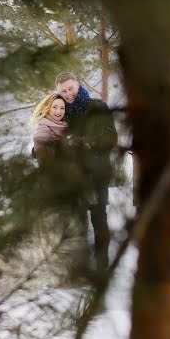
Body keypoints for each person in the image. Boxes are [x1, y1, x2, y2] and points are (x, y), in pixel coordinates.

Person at [54, 72, 117, 270]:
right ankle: (78, 267)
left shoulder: (97, 106)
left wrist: (89, 144)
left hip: (97, 172)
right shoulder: (60, 110)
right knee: (75, 220)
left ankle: (101, 267)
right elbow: (49, 136)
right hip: (72, 175)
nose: (68, 93)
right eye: (63, 90)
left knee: (98, 217)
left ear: (78, 85)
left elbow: (111, 137)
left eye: (70, 88)